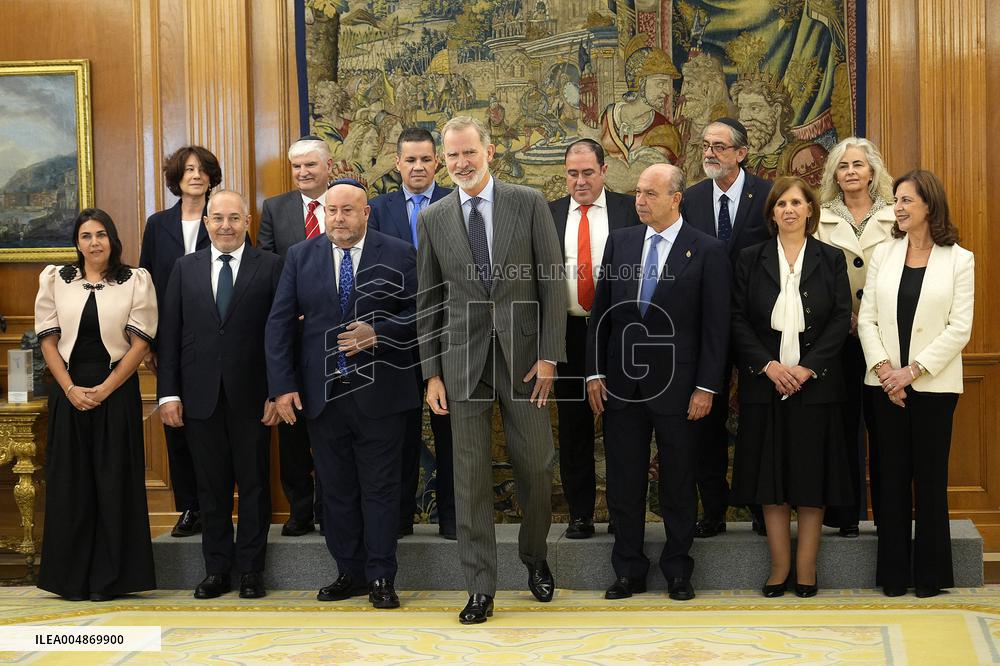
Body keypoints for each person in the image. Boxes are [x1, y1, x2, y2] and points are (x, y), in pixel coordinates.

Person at [416, 116, 567, 624]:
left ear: (490, 151)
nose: (460, 163)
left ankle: (535, 556)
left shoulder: (527, 203)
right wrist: (430, 373)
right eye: (451, 156)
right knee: (470, 479)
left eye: (468, 153)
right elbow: (428, 301)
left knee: (536, 466)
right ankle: (480, 587)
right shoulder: (434, 217)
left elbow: (551, 283)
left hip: (526, 363)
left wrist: (549, 355)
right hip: (461, 363)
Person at [266, 179, 418, 610]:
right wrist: (281, 386)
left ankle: (382, 578)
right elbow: (278, 325)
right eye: (332, 210)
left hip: (382, 396)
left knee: (380, 489)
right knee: (335, 490)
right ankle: (348, 572)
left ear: (366, 213)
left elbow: (421, 312)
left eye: (348, 210)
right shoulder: (299, 256)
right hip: (323, 396)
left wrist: (379, 332)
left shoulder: (399, 253)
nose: (338, 218)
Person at [585, 163, 728, 602]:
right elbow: (601, 315)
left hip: (681, 389)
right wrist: (594, 372)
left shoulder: (706, 250)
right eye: (638, 194)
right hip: (621, 387)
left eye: (649, 194)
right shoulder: (622, 241)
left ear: (675, 198)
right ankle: (628, 570)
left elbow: (715, 328)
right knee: (625, 483)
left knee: (679, 483)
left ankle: (678, 570)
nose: (640, 201)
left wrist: (706, 387)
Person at [730, 176, 853, 598]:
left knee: (811, 478)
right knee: (772, 480)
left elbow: (841, 318)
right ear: (772, 213)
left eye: (797, 202)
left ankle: (806, 568)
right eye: (781, 203)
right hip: (765, 384)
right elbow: (737, 319)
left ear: (810, 210)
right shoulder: (750, 258)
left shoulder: (830, 258)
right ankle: (779, 568)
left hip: (816, 387)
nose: (789, 210)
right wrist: (769, 366)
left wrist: (808, 368)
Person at [157, 190, 283, 600]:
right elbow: (171, 337)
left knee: (254, 488)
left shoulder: (272, 267)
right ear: (206, 222)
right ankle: (217, 571)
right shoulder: (184, 268)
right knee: (210, 489)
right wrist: (168, 395)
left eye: (234, 218)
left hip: (254, 398)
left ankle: (250, 571)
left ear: (248, 221)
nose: (225, 226)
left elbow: (280, 336)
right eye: (218, 218)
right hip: (198, 398)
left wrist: (277, 392)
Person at [858, 170, 974, 598]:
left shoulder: (960, 259)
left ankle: (930, 575)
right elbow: (867, 318)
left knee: (928, 479)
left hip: (934, 388)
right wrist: (887, 370)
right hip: (883, 384)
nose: (899, 207)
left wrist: (913, 371)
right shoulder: (884, 254)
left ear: (929, 205)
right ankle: (893, 576)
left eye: (907, 200)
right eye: (897, 200)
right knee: (888, 479)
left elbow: (959, 328)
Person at [35, 209, 157, 601]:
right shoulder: (56, 279)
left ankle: (113, 580)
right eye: (86, 236)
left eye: (101, 234)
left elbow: (140, 344)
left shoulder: (135, 280)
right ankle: (70, 580)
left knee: (114, 482)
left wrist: (104, 389)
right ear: (77, 242)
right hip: (68, 391)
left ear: (113, 239)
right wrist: (70, 388)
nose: (94, 242)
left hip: (116, 391)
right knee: (71, 484)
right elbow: (48, 342)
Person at [680, 118, 773, 538]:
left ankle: (759, 507)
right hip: (705, 328)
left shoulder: (768, 197)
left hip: (758, 326)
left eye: (720, 146)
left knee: (758, 420)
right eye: (705, 145)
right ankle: (713, 509)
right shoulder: (692, 200)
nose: (710, 153)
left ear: (741, 153)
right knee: (707, 421)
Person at [549, 138, 639, 539]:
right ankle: (580, 515)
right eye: (572, 173)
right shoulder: (547, 213)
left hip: (618, 333)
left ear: (604, 171)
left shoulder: (629, 209)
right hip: (567, 333)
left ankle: (623, 516)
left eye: (588, 172)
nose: (580, 181)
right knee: (573, 431)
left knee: (623, 429)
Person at [368, 127, 456, 541]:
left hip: (449, 336)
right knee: (398, 439)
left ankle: (454, 522)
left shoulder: (457, 203)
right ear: (397, 162)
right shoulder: (376, 209)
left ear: (436, 161)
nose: (418, 167)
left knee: (453, 434)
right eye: (410, 160)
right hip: (395, 342)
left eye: (425, 159)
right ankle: (399, 522)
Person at [139, 145, 222, 538]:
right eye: (188, 169)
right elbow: (144, 283)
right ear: (176, 177)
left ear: (211, 176)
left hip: (216, 339)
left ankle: (215, 504)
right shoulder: (158, 225)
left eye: (202, 169)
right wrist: (148, 343)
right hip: (169, 338)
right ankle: (189, 507)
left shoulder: (224, 218)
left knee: (212, 426)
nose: (195, 175)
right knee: (176, 424)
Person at [815, 137, 896, 537]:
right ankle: (844, 515)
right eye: (843, 166)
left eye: (858, 165)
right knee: (842, 426)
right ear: (834, 175)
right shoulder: (820, 217)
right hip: (837, 337)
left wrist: (871, 318)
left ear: (872, 172)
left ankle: (886, 515)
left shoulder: (894, 214)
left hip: (884, 336)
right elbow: (811, 274)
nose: (850, 172)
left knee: (883, 426)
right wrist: (844, 316)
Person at [257, 135, 334, 537]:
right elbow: (266, 266)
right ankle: (300, 510)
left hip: (336, 338)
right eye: (296, 166)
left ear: (328, 167)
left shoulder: (343, 203)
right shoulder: (275, 209)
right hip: (291, 335)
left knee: (330, 426)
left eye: (310, 165)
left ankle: (329, 509)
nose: (303, 173)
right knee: (292, 427)